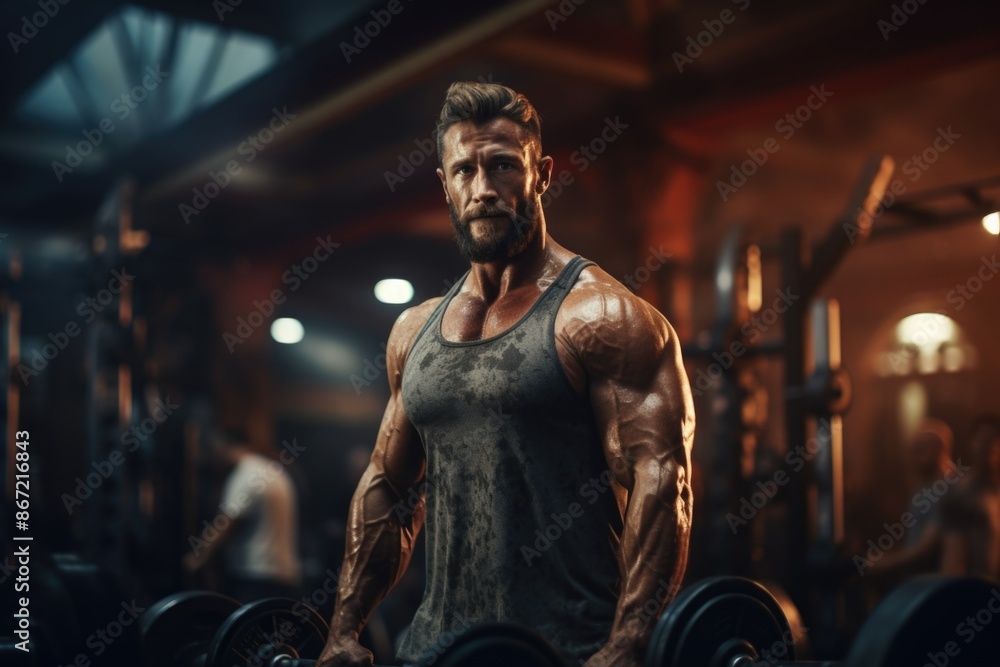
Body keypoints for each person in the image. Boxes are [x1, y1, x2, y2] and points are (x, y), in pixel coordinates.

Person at [318, 81, 694, 667]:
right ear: (444, 185)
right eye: (465, 171)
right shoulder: (414, 330)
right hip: (437, 654)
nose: (484, 189)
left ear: (541, 173)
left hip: (565, 654)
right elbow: (388, 489)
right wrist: (343, 632)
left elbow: (661, 478)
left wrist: (629, 643)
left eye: (502, 166)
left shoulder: (601, 314)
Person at [184, 428, 302, 601]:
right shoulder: (271, 469)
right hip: (283, 575)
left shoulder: (245, 475)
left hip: (256, 577)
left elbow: (223, 525)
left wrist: (197, 560)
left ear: (220, 446)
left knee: (247, 626)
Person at [942, 419, 1000, 579]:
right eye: (983, 440)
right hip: (975, 591)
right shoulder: (960, 493)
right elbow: (953, 561)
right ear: (972, 443)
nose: (988, 446)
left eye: (994, 440)